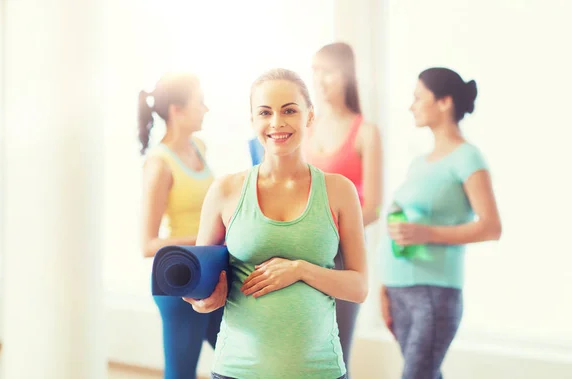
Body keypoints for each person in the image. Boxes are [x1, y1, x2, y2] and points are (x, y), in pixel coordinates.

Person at [183, 68, 369, 379]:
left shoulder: (339, 191)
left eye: (289, 111)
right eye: (265, 112)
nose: (277, 123)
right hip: (237, 370)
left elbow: (359, 287)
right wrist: (204, 300)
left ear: (309, 116)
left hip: (320, 370)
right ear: (253, 121)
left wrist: (300, 269)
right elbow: (203, 286)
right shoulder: (225, 191)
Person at [380, 67, 502, 379]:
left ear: (445, 102)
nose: (412, 105)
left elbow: (491, 226)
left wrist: (426, 233)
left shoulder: (467, 158)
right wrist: (385, 286)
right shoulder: (418, 163)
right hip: (399, 289)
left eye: (419, 98)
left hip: (434, 292)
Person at [138, 72, 223, 379]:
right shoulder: (159, 164)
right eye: (200, 102)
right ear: (177, 110)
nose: (206, 109)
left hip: (210, 276)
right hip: (178, 281)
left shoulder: (199, 146)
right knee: (181, 373)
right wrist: (205, 240)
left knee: (242, 361)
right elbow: (147, 244)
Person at [305, 42, 383, 369]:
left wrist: (334, 233)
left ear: (347, 76)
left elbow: (374, 207)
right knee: (302, 349)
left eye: (329, 73)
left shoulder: (366, 132)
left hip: (343, 253)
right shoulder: (306, 126)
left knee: (336, 352)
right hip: (303, 248)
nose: (321, 82)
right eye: (316, 73)